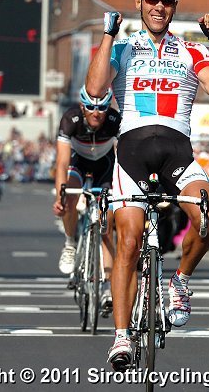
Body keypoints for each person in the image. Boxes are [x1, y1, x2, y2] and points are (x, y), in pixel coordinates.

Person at [85, 0, 209, 370]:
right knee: (128, 241)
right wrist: (108, 36)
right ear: (139, 1)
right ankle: (120, 337)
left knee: (207, 216)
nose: (159, 7)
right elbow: (96, 88)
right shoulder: (123, 47)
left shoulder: (189, 49)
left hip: (176, 154)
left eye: (167, 0)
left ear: (174, 5)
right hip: (130, 156)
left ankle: (179, 282)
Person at [52, 85, 119, 309]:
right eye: (90, 107)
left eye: (101, 108)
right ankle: (70, 244)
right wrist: (61, 196)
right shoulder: (70, 119)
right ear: (82, 106)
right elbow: (61, 163)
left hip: (105, 166)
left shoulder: (114, 120)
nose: (96, 112)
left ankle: (108, 287)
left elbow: (126, 157)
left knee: (107, 225)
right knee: (69, 199)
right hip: (77, 162)